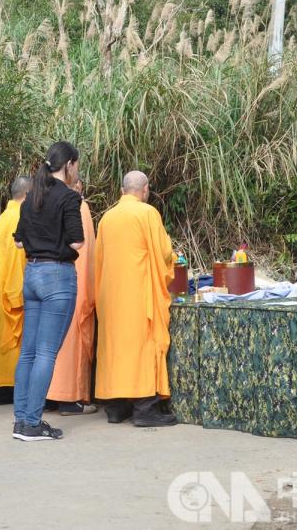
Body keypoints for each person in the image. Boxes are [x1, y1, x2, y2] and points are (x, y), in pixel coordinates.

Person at [9, 143, 84, 442]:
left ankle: (20, 419)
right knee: (46, 353)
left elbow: (17, 242)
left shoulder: (31, 198)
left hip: (32, 274)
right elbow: (78, 242)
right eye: (76, 165)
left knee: (28, 352)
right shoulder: (68, 197)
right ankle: (32, 422)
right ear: (68, 165)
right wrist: (58, 246)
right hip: (57, 276)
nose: (77, 170)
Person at [94, 171, 179, 427]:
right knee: (141, 348)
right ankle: (145, 407)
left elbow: (99, 260)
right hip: (138, 295)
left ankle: (116, 407)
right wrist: (174, 262)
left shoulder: (106, 218)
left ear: (122, 191)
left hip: (111, 295)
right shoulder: (147, 213)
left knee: (115, 348)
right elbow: (164, 253)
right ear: (145, 190)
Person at [47, 180, 98, 415]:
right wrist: (90, 292)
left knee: (46, 343)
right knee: (70, 342)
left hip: (45, 282)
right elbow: (85, 254)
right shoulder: (78, 207)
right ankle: (70, 398)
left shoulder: (42, 201)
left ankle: (46, 396)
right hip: (71, 282)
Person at [0, 177, 31, 405]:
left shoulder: (5, 215)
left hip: (1, 282)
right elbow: (16, 258)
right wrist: (17, 293)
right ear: (28, 195)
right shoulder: (20, 216)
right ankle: (5, 387)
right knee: (10, 342)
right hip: (12, 283)